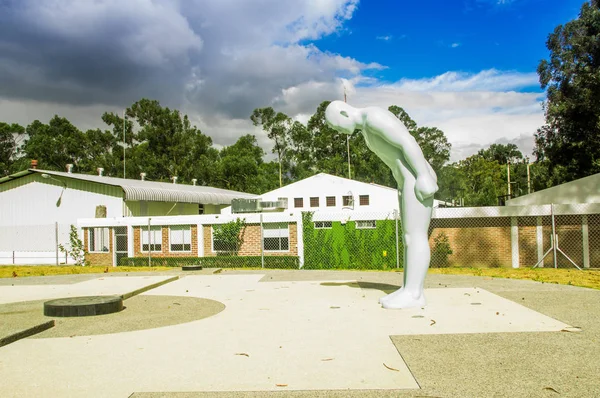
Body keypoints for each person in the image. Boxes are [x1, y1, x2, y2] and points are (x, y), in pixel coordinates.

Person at [325, 101, 438, 309]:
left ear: (343, 112)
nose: (338, 131)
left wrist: (423, 175)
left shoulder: (374, 117)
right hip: (406, 180)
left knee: (415, 236)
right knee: (408, 237)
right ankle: (408, 289)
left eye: (336, 125)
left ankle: (414, 294)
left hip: (416, 178)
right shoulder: (366, 129)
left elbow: (407, 141)